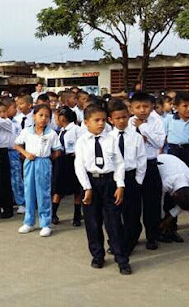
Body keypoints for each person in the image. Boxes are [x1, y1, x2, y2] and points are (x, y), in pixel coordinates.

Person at [74, 104, 130, 274]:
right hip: (91, 182)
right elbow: (79, 166)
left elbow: (120, 163)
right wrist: (87, 187)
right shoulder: (82, 141)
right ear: (86, 122)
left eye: (103, 120)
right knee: (92, 222)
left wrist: (120, 184)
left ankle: (122, 259)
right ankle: (97, 255)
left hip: (109, 182)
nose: (100, 124)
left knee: (114, 222)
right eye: (96, 120)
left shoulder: (110, 139)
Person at [14, 104, 60, 237]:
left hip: (44, 162)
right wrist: (26, 153)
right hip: (30, 161)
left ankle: (45, 223)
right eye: (41, 115)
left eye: (47, 116)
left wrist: (48, 159)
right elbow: (16, 144)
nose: (43, 119)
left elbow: (58, 150)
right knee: (29, 191)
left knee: (43, 192)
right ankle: (28, 222)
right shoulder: (27, 131)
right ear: (34, 116)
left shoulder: (51, 134)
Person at [108, 100, 147, 254]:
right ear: (110, 120)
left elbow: (141, 160)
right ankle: (116, 242)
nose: (121, 121)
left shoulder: (136, 137)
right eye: (117, 118)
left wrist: (138, 181)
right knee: (114, 214)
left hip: (131, 177)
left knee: (132, 214)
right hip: (114, 178)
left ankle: (129, 243)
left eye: (124, 117)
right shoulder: (108, 137)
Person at [129, 92, 165, 251]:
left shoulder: (157, 121)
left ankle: (152, 237)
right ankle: (132, 237)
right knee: (133, 205)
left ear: (152, 106)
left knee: (152, 205)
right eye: (138, 107)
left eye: (146, 106)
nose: (142, 110)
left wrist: (142, 128)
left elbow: (158, 143)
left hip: (150, 165)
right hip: (134, 167)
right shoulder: (129, 121)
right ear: (131, 108)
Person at [156, 154, 189, 243]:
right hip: (159, 163)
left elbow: (180, 206)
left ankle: (171, 230)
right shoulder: (166, 183)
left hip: (175, 166)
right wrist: (162, 218)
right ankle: (158, 233)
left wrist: (168, 219)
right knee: (165, 205)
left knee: (172, 210)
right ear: (174, 194)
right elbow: (160, 202)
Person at [52, 106, 83, 226]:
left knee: (76, 189)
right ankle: (54, 213)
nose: (54, 119)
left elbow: (82, 142)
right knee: (58, 188)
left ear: (62, 117)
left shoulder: (76, 129)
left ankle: (76, 215)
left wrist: (77, 152)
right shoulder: (61, 131)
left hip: (73, 160)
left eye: (56, 117)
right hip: (62, 160)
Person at [0, 102, 15, 219]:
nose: (2, 114)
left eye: (4, 111)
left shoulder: (7, 122)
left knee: (4, 182)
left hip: (3, 152)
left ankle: (7, 208)